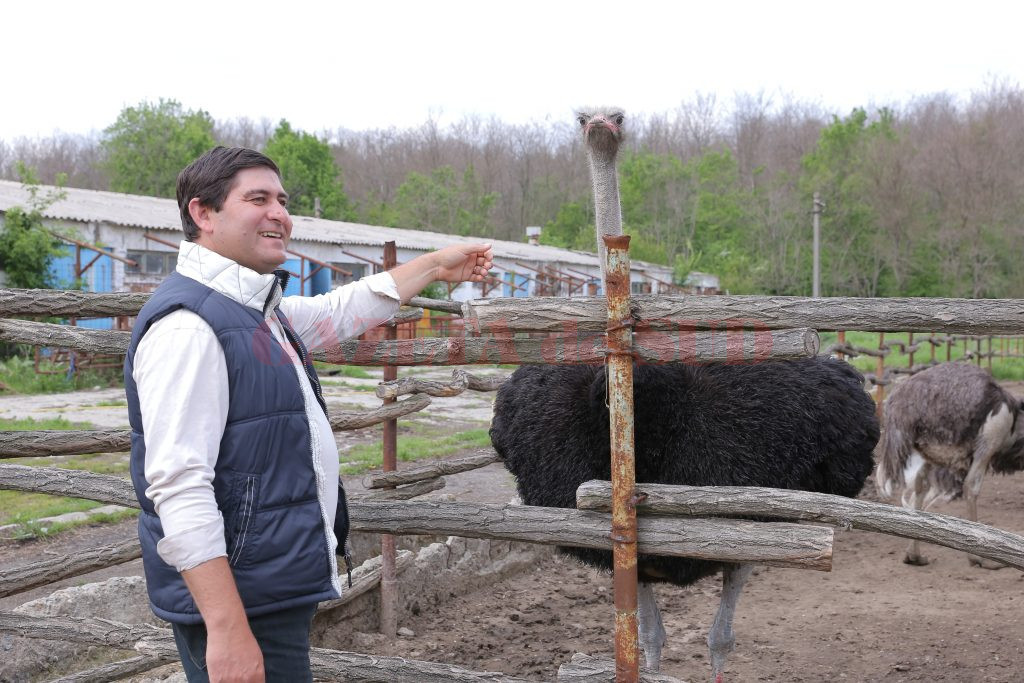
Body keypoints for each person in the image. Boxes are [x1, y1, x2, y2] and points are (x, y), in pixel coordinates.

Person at [125, 146, 493, 682]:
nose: (279, 213)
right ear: (203, 214)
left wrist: (436, 265)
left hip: (263, 587)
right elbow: (179, 488)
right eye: (258, 199)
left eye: (282, 199)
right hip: (241, 600)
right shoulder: (190, 326)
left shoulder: (254, 310)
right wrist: (227, 628)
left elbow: (339, 311)